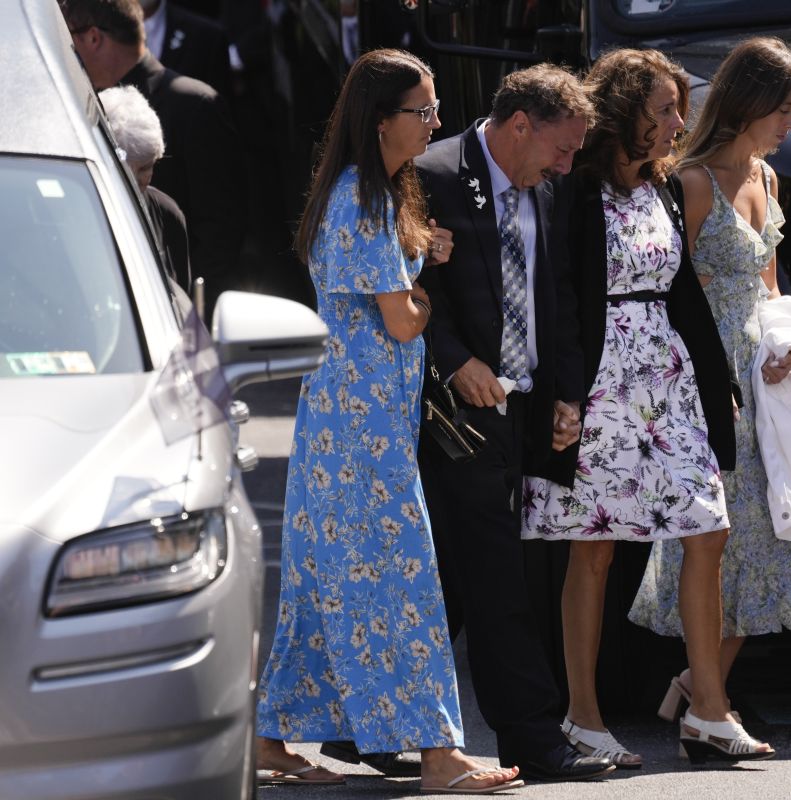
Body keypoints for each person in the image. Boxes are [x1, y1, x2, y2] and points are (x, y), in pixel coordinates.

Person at [253, 48, 521, 794]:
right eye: (423, 110)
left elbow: (378, 286)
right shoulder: (364, 199)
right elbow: (404, 323)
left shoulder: (362, 195)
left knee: (322, 583)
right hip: (361, 435)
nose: (435, 123)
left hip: (343, 425)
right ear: (381, 121)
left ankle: (270, 738)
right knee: (403, 585)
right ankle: (437, 755)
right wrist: (425, 289)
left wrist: (416, 254)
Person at [521, 48, 773, 767]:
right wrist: (564, 396)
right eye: (664, 108)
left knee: (708, 526)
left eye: (678, 109)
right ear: (626, 110)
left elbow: (683, 293)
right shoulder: (573, 190)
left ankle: (709, 711)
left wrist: (716, 378)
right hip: (598, 385)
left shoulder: (664, 189)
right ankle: (583, 715)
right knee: (593, 552)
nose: (677, 123)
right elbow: (561, 298)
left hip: (666, 383)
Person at [413, 65, 616, 782]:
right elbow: (408, 286)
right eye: (561, 149)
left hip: (526, 405)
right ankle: (533, 734)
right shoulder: (433, 174)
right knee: (500, 574)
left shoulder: (549, 186)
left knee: (464, 575)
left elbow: (555, 291)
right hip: (456, 408)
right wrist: (454, 359)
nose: (568, 165)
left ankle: (362, 729)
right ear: (519, 124)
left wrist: (567, 395)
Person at [626, 36, 791, 731]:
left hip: (765, 382)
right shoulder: (692, 182)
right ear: (752, 103)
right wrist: (715, 376)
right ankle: (707, 697)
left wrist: (783, 352)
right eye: (786, 109)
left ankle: (694, 682)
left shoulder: (764, 179)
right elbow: (676, 293)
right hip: (706, 380)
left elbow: (767, 290)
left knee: (775, 539)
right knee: (715, 540)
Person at [60, 0, 245, 305]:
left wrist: (179, 303)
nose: (68, 53)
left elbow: (220, 230)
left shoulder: (195, 104)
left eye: (70, 40)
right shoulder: (79, 106)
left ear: (93, 38)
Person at [98, 84, 190, 286]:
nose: (134, 180)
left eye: (145, 168)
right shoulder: (71, 213)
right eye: (124, 169)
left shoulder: (168, 215)